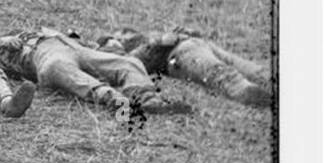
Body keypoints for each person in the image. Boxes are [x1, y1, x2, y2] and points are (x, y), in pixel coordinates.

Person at [0, 29, 169, 114]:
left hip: (77, 49)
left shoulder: (49, 31)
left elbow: (107, 51)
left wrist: (110, 45)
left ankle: (147, 99)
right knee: (60, 69)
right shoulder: (4, 49)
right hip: (47, 58)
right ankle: (116, 100)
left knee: (130, 63)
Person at [97, 29, 272, 107]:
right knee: (221, 74)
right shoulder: (125, 58)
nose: (121, 37)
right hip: (179, 55)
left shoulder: (143, 38)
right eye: (115, 39)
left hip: (196, 44)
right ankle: (252, 94)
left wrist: (185, 32)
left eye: (123, 34)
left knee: (253, 70)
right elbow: (136, 63)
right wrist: (158, 41)